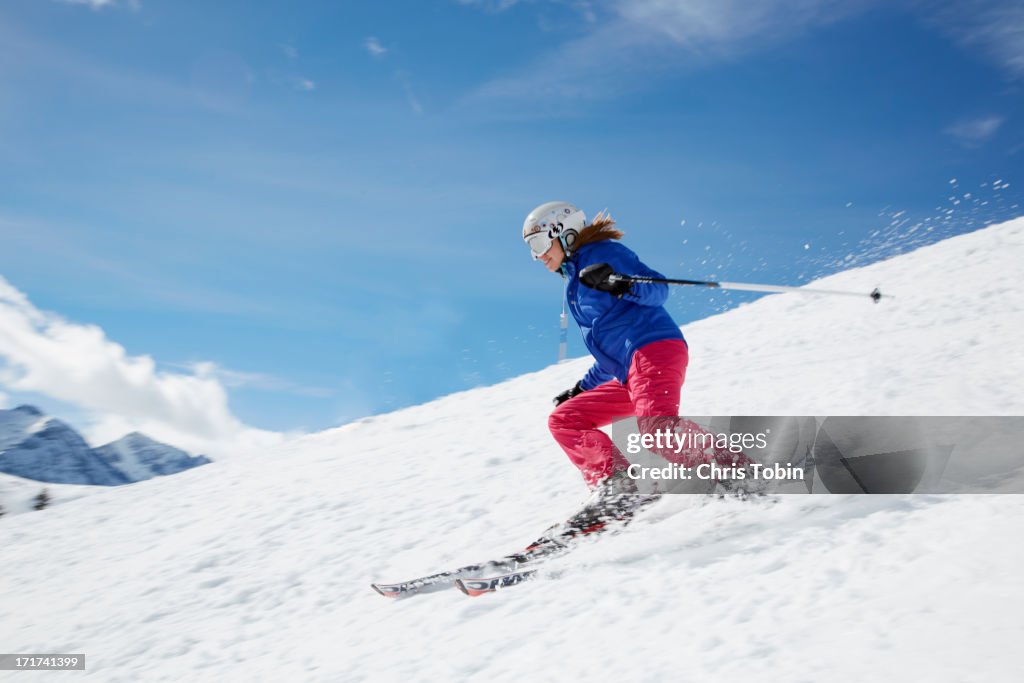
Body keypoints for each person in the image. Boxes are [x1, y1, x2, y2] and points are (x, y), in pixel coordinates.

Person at [522, 201, 752, 530]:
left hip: (654, 349)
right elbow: (611, 353)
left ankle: (738, 471)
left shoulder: (602, 253)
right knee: (565, 419)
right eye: (531, 250)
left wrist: (623, 283)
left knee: (658, 431)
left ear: (565, 234)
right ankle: (618, 486)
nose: (538, 255)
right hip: (631, 368)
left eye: (540, 244)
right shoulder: (576, 283)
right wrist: (582, 388)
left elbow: (657, 290)